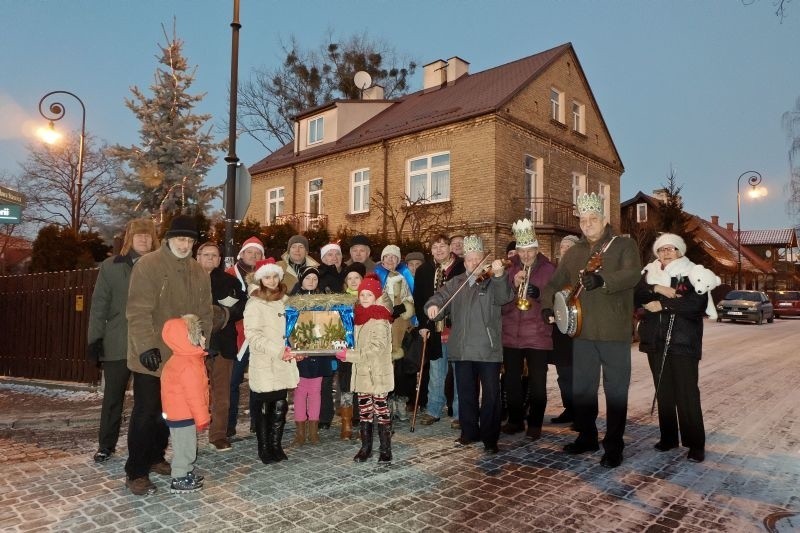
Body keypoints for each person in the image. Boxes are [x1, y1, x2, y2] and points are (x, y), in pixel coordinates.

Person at [541, 193, 641, 469]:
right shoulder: (574, 253)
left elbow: (633, 274)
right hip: (582, 333)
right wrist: (548, 307)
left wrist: (603, 280)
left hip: (613, 332)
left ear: (604, 219)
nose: (587, 224)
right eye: (583, 220)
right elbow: (553, 283)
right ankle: (586, 436)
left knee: (615, 390)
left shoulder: (623, 245)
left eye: (592, 219)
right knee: (583, 388)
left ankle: (614, 446)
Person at [124, 214, 212, 495]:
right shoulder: (148, 265)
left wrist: (201, 343)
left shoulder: (198, 271)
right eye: (180, 239)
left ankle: (155, 457)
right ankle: (136, 470)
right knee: (146, 412)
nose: (185, 244)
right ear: (169, 239)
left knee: (170, 412)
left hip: (184, 356)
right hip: (153, 355)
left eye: (189, 240)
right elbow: (138, 311)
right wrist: (146, 345)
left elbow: (205, 312)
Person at [425, 235, 514, 454]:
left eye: (478, 259)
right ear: (464, 262)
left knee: (491, 395)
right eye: (470, 259)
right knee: (465, 394)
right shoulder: (456, 283)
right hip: (462, 348)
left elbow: (505, 297)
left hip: (488, 349)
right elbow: (438, 297)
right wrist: (433, 307)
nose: (474, 263)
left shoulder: (493, 282)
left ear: (484, 262)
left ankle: (490, 438)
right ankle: (468, 432)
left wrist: (501, 275)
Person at [87, 217, 159, 463]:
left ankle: (144, 446)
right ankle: (106, 444)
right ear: (130, 238)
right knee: (112, 398)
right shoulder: (111, 266)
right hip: (117, 342)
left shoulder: (158, 266)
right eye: (139, 235)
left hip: (148, 345)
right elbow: (99, 305)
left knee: (148, 401)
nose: (143, 239)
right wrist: (95, 339)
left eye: (148, 235)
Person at [635, 233, 709, 463]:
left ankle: (695, 443)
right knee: (664, 392)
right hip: (655, 341)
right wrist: (657, 287)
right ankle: (668, 437)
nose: (666, 253)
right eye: (662, 249)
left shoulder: (693, 272)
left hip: (683, 341)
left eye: (671, 249)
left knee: (686, 394)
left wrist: (664, 305)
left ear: (680, 251)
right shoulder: (648, 273)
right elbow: (636, 295)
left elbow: (697, 304)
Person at [500, 219, 555, 440]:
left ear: (537, 248)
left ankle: (535, 423)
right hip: (511, 334)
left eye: (530, 250)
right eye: (522, 251)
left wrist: (539, 294)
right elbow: (500, 304)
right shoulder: (509, 269)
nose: (526, 255)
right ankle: (515, 420)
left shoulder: (549, 269)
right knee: (512, 382)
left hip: (538, 335)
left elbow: (557, 298)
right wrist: (512, 286)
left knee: (538, 384)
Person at [244, 258, 298, 464]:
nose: (272, 280)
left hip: (283, 360)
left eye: (275, 276)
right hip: (267, 360)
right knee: (265, 405)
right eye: (267, 277)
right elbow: (254, 335)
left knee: (280, 404)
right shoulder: (255, 303)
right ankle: (264, 447)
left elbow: (293, 327)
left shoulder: (285, 300)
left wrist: (297, 347)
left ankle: (276, 445)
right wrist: (278, 351)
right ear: (260, 279)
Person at [335, 273, 394, 464]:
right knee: (364, 412)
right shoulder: (359, 318)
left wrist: (348, 356)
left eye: (369, 295)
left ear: (376, 296)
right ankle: (366, 447)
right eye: (362, 295)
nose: (365, 298)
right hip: (362, 374)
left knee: (381, 410)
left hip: (376, 374)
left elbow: (376, 349)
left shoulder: (380, 318)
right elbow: (355, 343)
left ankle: (385, 448)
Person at [196, 241, 246, 451]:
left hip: (223, 343)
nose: (210, 259)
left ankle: (218, 434)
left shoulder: (229, 281)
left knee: (222, 394)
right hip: (192, 345)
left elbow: (242, 307)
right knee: (194, 391)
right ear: (197, 257)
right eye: (206, 255)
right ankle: (189, 433)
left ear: (220, 259)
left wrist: (223, 315)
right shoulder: (187, 280)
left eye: (214, 256)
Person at [413, 234, 465, 427]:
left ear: (450, 247)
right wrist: (423, 326)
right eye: (435, 247)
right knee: (436, 372)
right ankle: (434, 409)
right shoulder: (424, 270)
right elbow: (419, 300)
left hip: (457, 328)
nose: (439, 250)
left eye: (443, 246)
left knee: (460, 372)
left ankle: (460, 413)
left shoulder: (461, 267)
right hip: (434, 329)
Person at [160, 314, 210, 494]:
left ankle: (186, 472)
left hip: (178, 412)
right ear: (190, 338)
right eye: (200, 335)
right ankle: (179, 477)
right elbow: (194, 395)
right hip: (184, 413)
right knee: (185, 448)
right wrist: (202, 418)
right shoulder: (188, 363)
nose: (204, 338)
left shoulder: (180, 359)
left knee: (185, 445)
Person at [288, 266, 334, 444]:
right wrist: (295, 347)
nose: (312, 282)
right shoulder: (293, 301)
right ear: (302, 280)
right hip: (301, 352)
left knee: (316, 391)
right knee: (300, 392)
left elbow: (329, 323)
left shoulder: (323, 300)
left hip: (319, 351)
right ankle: (300, 432)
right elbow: (290, 326)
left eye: (315, 279)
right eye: (308, 279)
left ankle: (313, 431)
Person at [226, 236, 265, 440]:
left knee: (258, 382)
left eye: (257, 253)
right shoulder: (230, 274)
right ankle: (229, 424)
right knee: (232, 382)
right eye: (250, 252)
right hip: (237, 335)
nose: (253, 255)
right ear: (242, 254)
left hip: (259, 336)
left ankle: (256, 422)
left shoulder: (266, 276)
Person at [373, 244, 415, 421]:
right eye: (387, 257)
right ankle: (383, 402)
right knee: (382, 366)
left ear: (398, 261)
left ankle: (399, 402)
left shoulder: (402, 277)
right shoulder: (374, 276)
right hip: (380, 325)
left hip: (398, 325)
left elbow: (409, 298)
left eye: (394, 258)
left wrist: (404, 308)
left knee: (400, 368)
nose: (390, 260)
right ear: (382, 259)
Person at [549, 235, 580, 425]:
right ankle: (569, 408)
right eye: (563, 246)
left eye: (570, 246)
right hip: (560, 329)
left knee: (578, 374)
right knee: (564, 374)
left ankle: (580, 414)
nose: (565, 249)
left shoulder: (582, 270)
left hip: (579, 329)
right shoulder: (554, 272)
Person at [338, 261, 366, 439]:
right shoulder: (340, 300)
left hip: (364, 349)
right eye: (350, 278)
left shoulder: (369, 297)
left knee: (363, 383)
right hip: (346, 349)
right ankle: (346, 424)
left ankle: (364, 420)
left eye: (357, 277)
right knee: (346, 385)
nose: (354, 281)